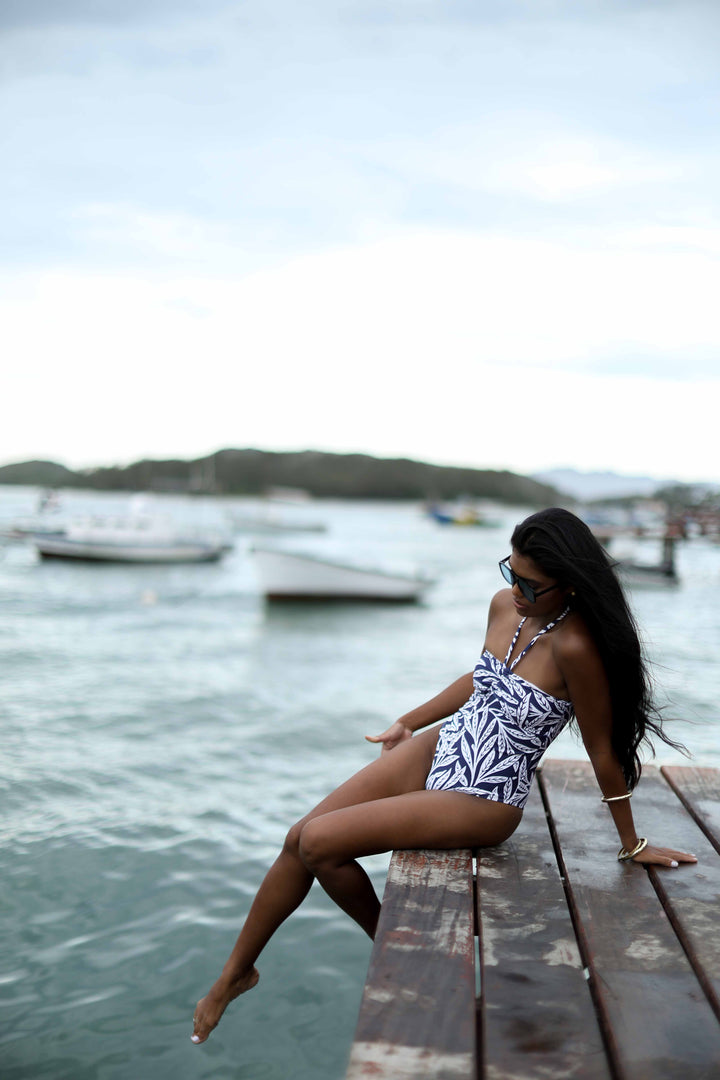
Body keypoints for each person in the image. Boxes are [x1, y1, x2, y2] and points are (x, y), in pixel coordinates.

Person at [191, 507, 696, 1045]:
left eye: (532, 584)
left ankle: (394, 948)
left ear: (570, 586)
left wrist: (631, 841)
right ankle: (233, 975)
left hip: (487, 793)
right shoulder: (504, 605)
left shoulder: (576, 646)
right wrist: (408, 721)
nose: (517, 589)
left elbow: (600, 748)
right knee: (297, 836)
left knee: (320, 844)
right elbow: (481, 678)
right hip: (444, 743)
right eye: (511, 572)